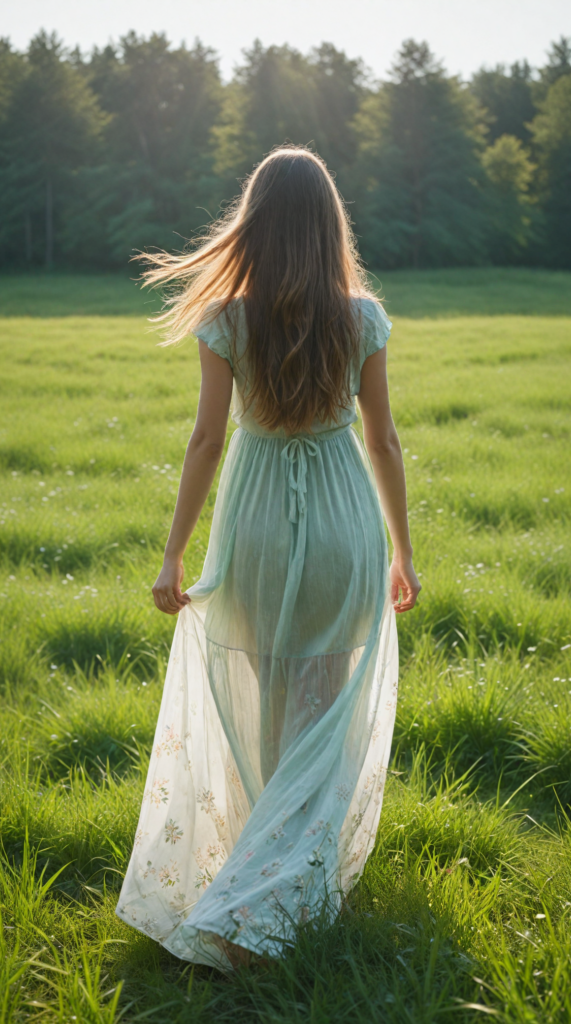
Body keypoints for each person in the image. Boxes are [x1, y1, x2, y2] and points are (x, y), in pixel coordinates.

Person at [116, 146, 421, 969]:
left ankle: (255, 900)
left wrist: (172, 556)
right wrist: (402, 549)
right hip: (341, 525)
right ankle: (273, 900)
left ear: (253, 223)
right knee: (323, 721)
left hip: (251, 526)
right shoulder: (361, 317)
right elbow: (384, 441)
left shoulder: (227, 318)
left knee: (267, 706)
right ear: (329, 227)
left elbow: (208, 439)